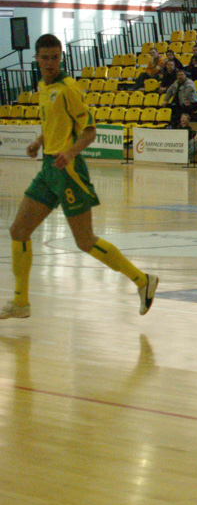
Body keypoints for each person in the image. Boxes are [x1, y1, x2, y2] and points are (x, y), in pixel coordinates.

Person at [2, 33, 157, 320]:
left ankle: (142, 280)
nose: (50, 63)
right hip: (49, 169)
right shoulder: (41, 86)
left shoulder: (69, 88)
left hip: (69, 172)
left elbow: (89, 131)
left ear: (61, 57)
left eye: (55, 57)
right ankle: (20, 301)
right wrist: (39, 142)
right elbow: (53, 123)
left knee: (84, 241)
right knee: (18, 231)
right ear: (36, 59)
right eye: (45, 57)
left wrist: (70, 153)